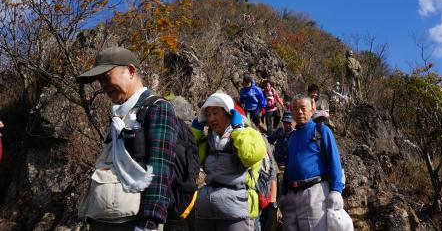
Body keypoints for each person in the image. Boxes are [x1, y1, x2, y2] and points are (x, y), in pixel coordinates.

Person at [77, 46, 179, 231]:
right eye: (100, 80)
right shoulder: (120, 115)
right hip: (102, 221)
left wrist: (149, 224)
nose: (103, 86)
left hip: (134, 224)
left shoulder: (157, 108)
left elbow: (160, 169)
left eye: (106, 77)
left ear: (131, 71)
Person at [191, 92, 267, 231]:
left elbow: (249, 157)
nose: (211, 118)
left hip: (237, 210)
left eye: (215, 112)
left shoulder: (249, 133)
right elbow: (191, 161)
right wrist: (196, 132)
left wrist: (238, 129)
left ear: (229, 114)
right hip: (207, 210)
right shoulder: (209, 140)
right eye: (207, 115)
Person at [281, 95, 344, 231]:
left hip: (314, 192)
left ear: (312, 109)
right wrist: (284, 193)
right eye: (295, 109)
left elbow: (334, 161)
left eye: (303, 108)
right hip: (292, 194)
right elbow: (288, 167)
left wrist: (336, 190)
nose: (299, 112)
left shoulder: (321, 130)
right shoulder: (292, 136)